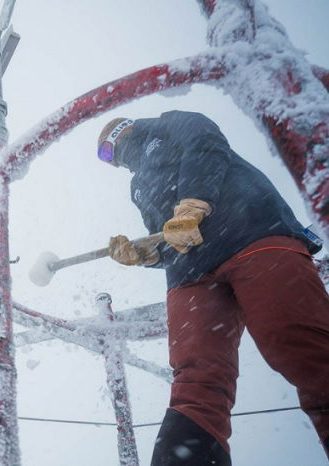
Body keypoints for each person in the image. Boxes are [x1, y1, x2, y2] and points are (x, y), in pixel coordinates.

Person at [97, 110, 329, 465]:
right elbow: (171, 235)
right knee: (196, 379)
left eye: (106, 153)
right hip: (189, 272)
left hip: (249, 230)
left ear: (121, 130)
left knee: (301, 345)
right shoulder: (137, 186)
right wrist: (145, 254)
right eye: (105, 160)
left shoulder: (168, 124)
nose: (111, 162)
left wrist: (193, 203)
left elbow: (204, 142)